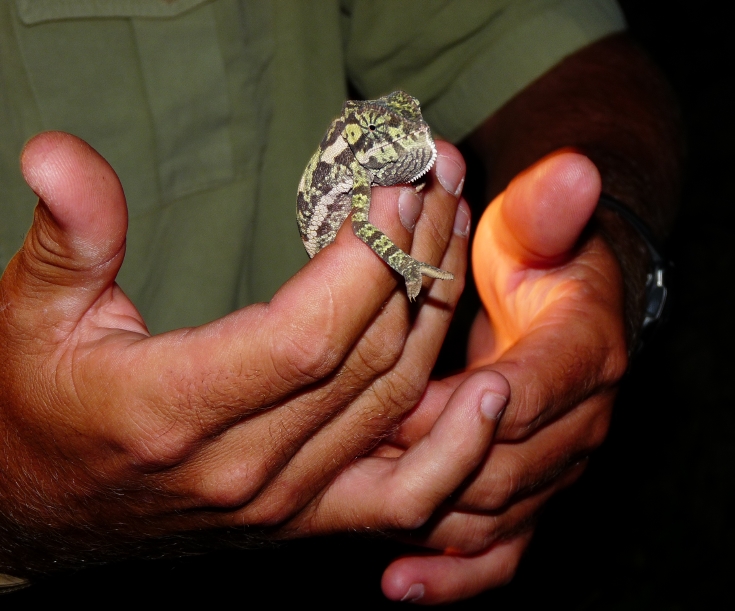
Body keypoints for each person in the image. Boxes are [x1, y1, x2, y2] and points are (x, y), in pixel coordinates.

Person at [0, 0, 682, 603]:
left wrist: (610, 252)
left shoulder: (382, 150)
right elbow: (373, 230)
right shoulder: (355, 176)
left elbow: (515, 29)